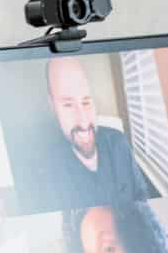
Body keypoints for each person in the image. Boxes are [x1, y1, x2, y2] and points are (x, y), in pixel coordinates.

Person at [41, 55, 157, 208]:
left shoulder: (118, 141)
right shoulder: (46, 169)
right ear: (52, 106)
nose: (83, 122)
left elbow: (142, 196)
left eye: (86, 102)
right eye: (68, 105)